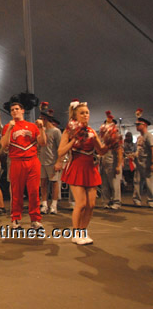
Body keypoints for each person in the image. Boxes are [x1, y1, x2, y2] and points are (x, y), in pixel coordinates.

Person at [58, 100, 107, 245]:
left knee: (91, 204)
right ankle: (76, 233)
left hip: (91, 169)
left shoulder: (92, 132)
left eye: (87, 113)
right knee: (81, 203)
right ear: (75, 115)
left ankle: (83, 232)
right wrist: (74, 139)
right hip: (76, 168)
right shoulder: (69, 130)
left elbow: (100, 151)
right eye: (82, 113)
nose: (85, 115)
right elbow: (60, 151)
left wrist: (111, 143)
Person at [0, 102, 46, 229]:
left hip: (32, 161)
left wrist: (42, 128)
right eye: (12, 110)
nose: (14, 111)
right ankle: (15, 218)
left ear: (22, 110)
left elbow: (42, 142)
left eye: (17, 109)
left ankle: (36, 220)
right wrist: (9, 128)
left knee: (34, 192)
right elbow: (4, 144)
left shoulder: (32, 126)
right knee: (16, 192)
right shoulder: (7, 127)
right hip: (16, 161)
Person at [38, 109, 63, 214]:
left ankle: (54, 204)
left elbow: (60, 148)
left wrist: (59, 162)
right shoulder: (40, 131)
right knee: (43, 183)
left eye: (41, 118)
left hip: (52, 161)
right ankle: (44, 204)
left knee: (54, 183)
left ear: (46, 119)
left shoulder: (55, 131)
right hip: (41, 161)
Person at [99, 111, 123, 210]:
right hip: (103, 159)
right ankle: (106, 201)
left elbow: (119, 150)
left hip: (112, 159)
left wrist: (118, 165)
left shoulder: (116, 136)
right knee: (104, 183)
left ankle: (117, 202)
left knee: (114, 183)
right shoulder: (102, 137)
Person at [132, 116, 153, 207]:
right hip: (139, 162)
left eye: (138, 124)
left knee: (149, 182)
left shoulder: (148, 135)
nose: (136, 126)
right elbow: (140, 149)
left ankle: (151, 200)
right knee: (137, 181)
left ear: (144, 125)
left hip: (147, 162)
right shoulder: (139, 137)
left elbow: (152, 149)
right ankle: (137, 199)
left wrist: (152, 163)